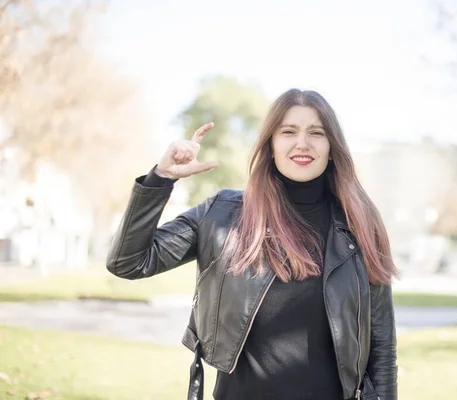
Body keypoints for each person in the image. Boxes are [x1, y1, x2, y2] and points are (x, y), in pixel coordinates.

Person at [106, 89, 399, 400]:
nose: (302, 142)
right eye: (288, 132)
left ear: (332, 147)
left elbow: (381, 348)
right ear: (271, 145)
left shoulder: (359, 224)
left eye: (317, 132)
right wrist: (160, 179)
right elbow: (128, 262)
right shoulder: (221, 214)